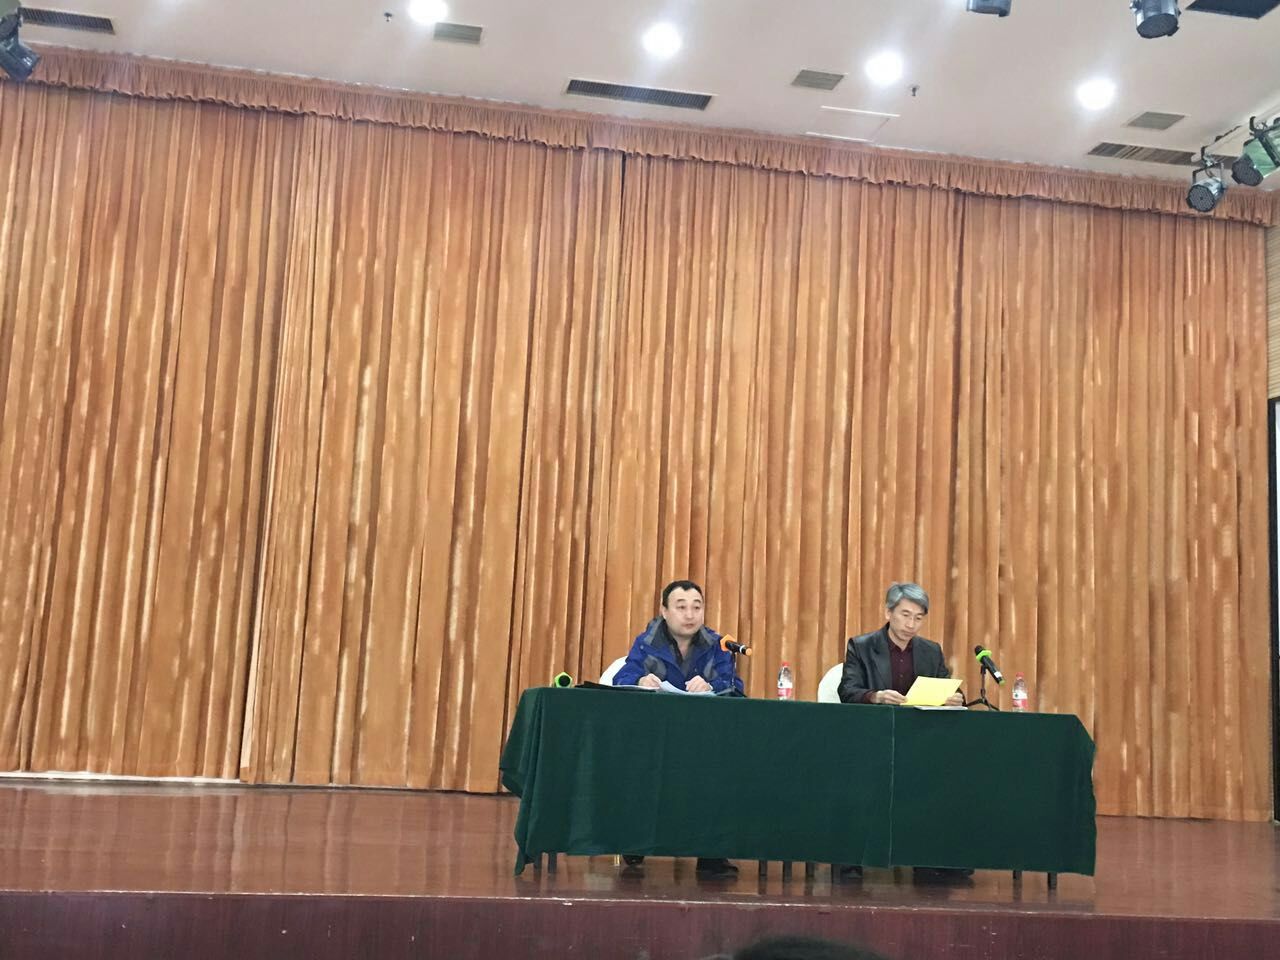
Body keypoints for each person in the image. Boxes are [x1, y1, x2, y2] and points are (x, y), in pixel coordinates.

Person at [835, 582, 970, 883]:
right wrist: (876, 696)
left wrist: (954, 697)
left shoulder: (931, 651)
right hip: (873, 737)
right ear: (889, 612)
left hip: (919, 738)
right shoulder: (861, 646)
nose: (911, 624)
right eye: (905, 615)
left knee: (944, 776)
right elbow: (848, 690)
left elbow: (949, 687)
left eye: (918, 618)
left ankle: (928, 857)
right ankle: (854, 859)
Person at [612, 579, 744, 879]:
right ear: (664, 611)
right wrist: (640, 680)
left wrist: (712, 685)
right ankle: (636, 840)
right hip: (657, 736)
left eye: (697, 607)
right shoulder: (646, 642)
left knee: (718, 771)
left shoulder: (718, 645)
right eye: (681, 607)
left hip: (705, 737)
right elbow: (623, 678)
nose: (690, 615)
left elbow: (735, 686)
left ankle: (712, 853)